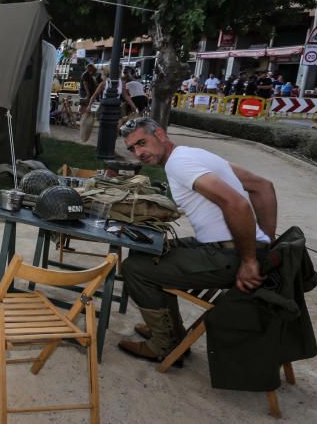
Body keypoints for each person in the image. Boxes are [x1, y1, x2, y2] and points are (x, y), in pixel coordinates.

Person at [117, 117, 275, 364]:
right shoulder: (191, 154)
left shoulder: (179, 163)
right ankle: (169, 331)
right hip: (231, 248)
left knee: (134, 268)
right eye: (133, 148)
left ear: (159, 134)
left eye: (142, 143)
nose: (139, 153)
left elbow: (236, 204)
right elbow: (262, 186)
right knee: (148, 251)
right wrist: (265, 242)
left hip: (230, 257)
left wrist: (251, 259)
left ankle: (164, 346)